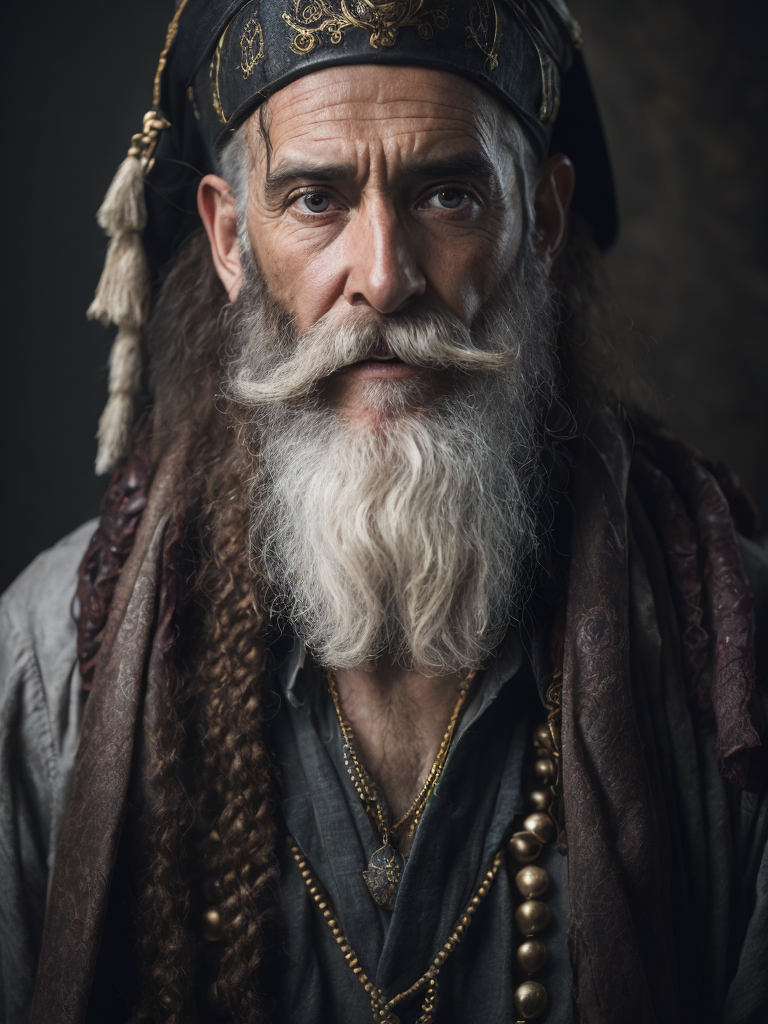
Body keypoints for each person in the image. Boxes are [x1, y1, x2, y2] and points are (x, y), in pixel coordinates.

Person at [1, 2, 766, 1023]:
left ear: (539, 219)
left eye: (448, 194)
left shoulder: (739, 658)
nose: (384, 277)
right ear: (231, 238)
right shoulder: (46, 669)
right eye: (315, 199)